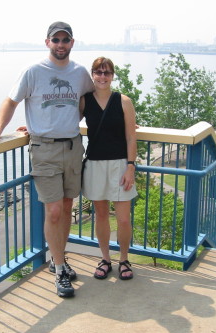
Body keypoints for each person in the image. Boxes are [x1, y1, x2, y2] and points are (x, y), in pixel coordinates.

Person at [0, 21, 94, 298]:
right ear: (47, 43)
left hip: (72, 146)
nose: (61, 44)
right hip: (44, 150)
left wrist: (127, 120)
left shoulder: (80, 73)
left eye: (65, 40)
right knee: (54, 211)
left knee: (67, 207)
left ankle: (61, 259)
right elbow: (11, 101)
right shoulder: (33, 71)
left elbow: (92, 101)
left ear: (72, 43)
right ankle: (57, 268)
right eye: (56, 40)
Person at [79, 57, 138, 281]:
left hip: (120, 165)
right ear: (92, 74)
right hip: (94, 164)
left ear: (113, 76)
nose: (102, 77)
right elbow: (65, 121)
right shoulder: (84, 101)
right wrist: (35, 126)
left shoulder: (124, 101)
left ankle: (124, 259)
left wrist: (130, 167)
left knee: (123, 218)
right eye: (98, 72)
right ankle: (105, 258)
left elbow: (131, 137)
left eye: (107, 73)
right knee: (101, 215)